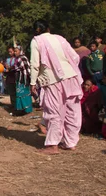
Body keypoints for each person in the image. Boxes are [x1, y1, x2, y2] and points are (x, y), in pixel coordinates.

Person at [29, 20, 83, 155]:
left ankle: (53, 145)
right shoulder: (60, 38)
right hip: (71, 77)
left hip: (53, 80)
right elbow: (75, 57)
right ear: (48, 28)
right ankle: (70, 142)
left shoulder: (36, 41)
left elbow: (34, 64)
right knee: (72, 111)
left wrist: (32, 82)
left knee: (54, 111)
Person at [12, 46, 33, 115]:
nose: (15, 53)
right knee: (19, 93)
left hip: (23, 79)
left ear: (20, 51)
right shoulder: (17, 58)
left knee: (23, 93)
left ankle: (25, 109)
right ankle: (21, 109)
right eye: (14, 51)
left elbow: (26, 70)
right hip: (19, 78)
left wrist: (27, 79)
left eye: (16, 51)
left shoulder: (22, 58)